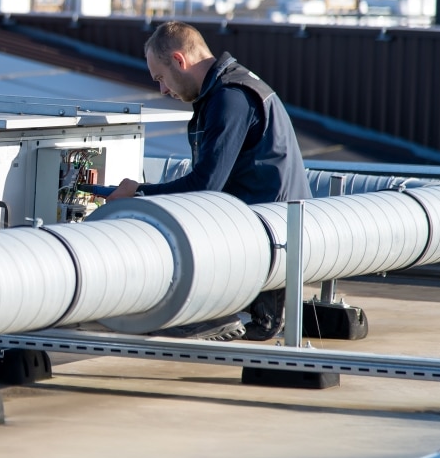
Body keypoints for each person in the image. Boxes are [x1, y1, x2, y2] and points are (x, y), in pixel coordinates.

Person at [108, 21, 312, 341]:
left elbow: (205, 187)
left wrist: (140, 193)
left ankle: (219, 315)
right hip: (275, 235)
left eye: (160, 78)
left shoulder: (230, 97)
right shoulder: (228, 89)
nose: (162, 90)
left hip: (266, 243)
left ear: (179, 60)